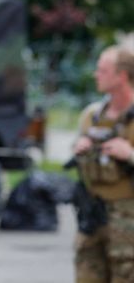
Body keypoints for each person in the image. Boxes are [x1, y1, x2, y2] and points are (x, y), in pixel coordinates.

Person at [73, 46, 134, 282]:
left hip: (127, 222)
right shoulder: (92, 116)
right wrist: (80, 147)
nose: (96, 74)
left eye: (103, 70)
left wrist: (129, 154)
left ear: (121, 76)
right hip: (93, 215)